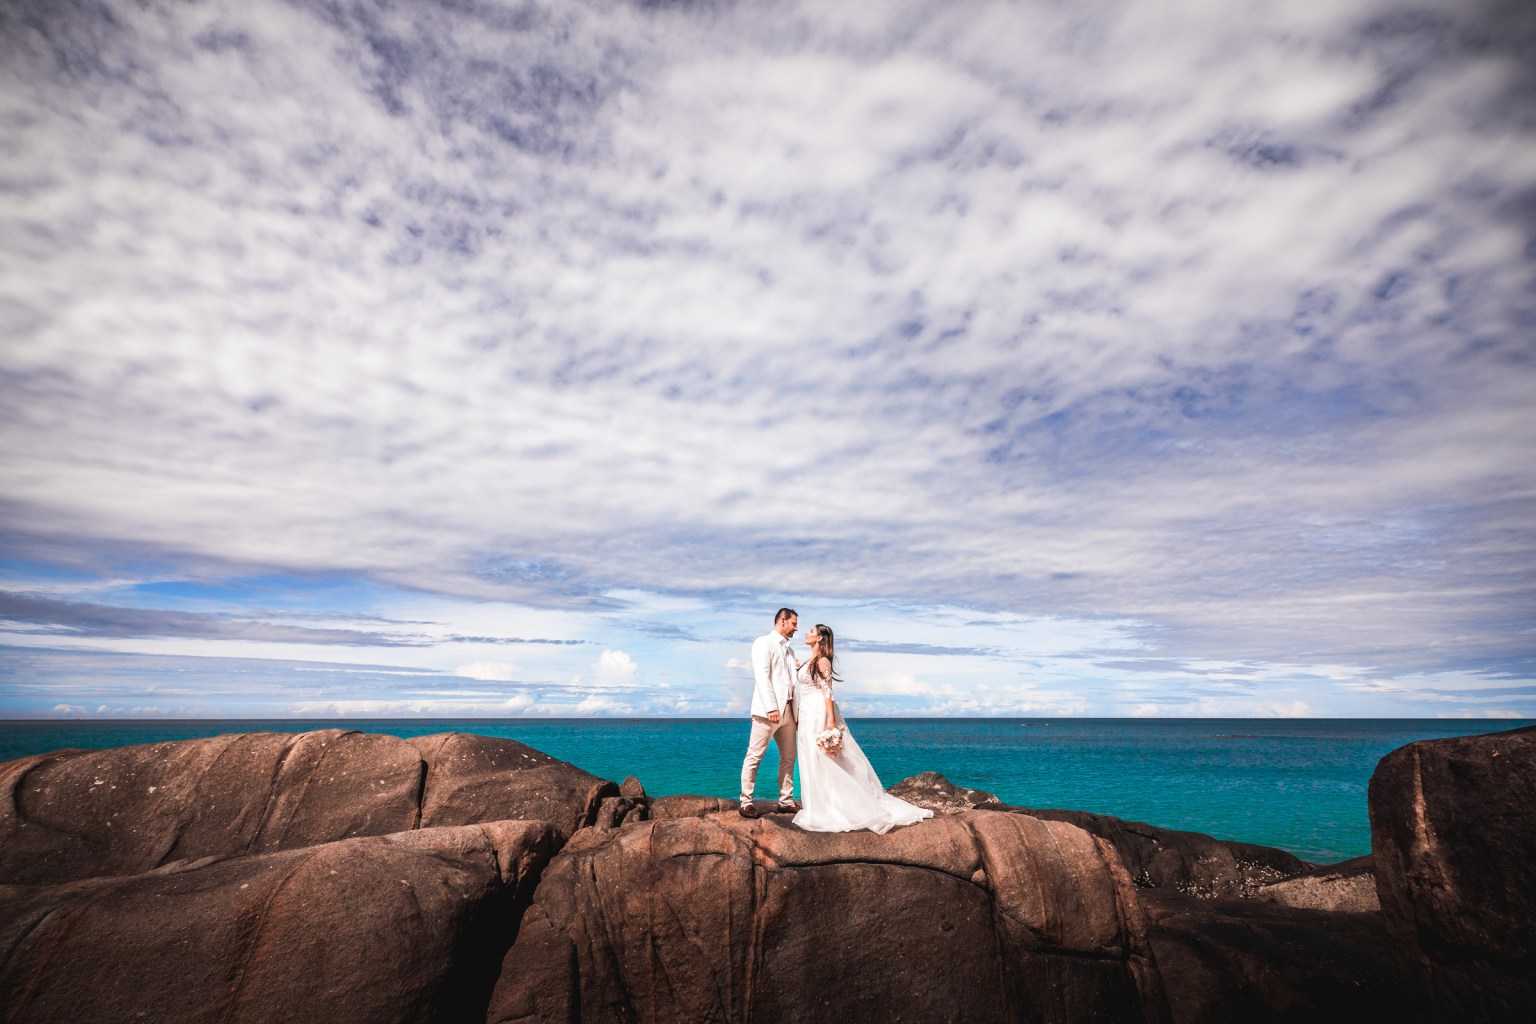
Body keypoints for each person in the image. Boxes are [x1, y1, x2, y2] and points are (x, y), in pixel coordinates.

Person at [793, 624, 932, 834]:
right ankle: (818, 804)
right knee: (809, 758)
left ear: (821, 638)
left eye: (811, 631)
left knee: (824, 759)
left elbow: (828, 694)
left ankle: (835, 806)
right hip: (806, 714)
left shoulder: (822, 662)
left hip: (818, 714)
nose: (806, 633)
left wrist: (831, 723)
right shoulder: (809, 661)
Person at [739, 607, 801, 818]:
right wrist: (771, 707)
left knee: (789, 757)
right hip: (768, 712)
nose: (796, 628)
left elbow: (789, 682)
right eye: (794, 623)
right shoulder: (763, 643)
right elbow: (762, 676)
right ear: (782, 621)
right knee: (755, 755)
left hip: (789, 713)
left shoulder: (790, 651)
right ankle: (746, 801)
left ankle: (785, 800)